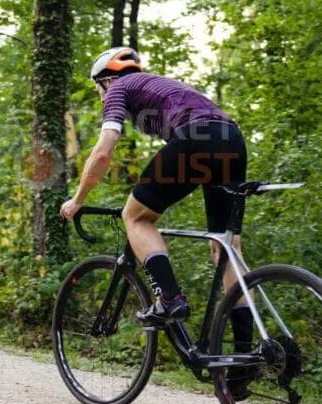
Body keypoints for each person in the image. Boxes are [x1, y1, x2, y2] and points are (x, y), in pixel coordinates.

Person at [58, 47, 251, 334]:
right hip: (232, 138)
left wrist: (78, 200)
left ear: (106, 81)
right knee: (225, 248)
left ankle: (170, 299)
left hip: (196, 137)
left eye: (98, 89)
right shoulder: (160, 86)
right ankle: (244, 361)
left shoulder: (117, 88)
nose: (101, 96)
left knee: (135, 217)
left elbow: (102, 152)